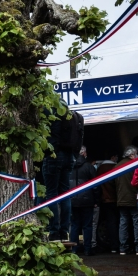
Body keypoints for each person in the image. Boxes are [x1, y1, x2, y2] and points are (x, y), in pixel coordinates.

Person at [43, 101, 73, 242]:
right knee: (65, 194)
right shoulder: (70, 115)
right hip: (69, 156)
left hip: (53, 155)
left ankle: (54, 232)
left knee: (51, 194)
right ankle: (64, 232)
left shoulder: (50, 112)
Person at [69, 146, 98, 256]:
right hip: (87, 200)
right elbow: (95, 186)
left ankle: (74, 249)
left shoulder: (70, 167)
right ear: (84, 153)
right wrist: (96, 200)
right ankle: (87, 249)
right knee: (87, 226)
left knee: (75, 225)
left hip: (72, 200)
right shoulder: (89, 167)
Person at [115, 145, 138, 256]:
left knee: (123, 223)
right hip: (133, 197)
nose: (137, 155)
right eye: (136, 153)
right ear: (131, 155)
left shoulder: (117, 166)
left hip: (121, 198)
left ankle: (123, 248)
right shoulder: (135, 164)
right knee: (137, 222)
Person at [96, 152, 119, 253]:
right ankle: (116, 245)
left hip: (104, 199)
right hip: (115, 198)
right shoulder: (115, 167)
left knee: (107, 222)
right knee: (116, 222)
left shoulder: (99, 168)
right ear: (113, 157)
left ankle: (109, 244)